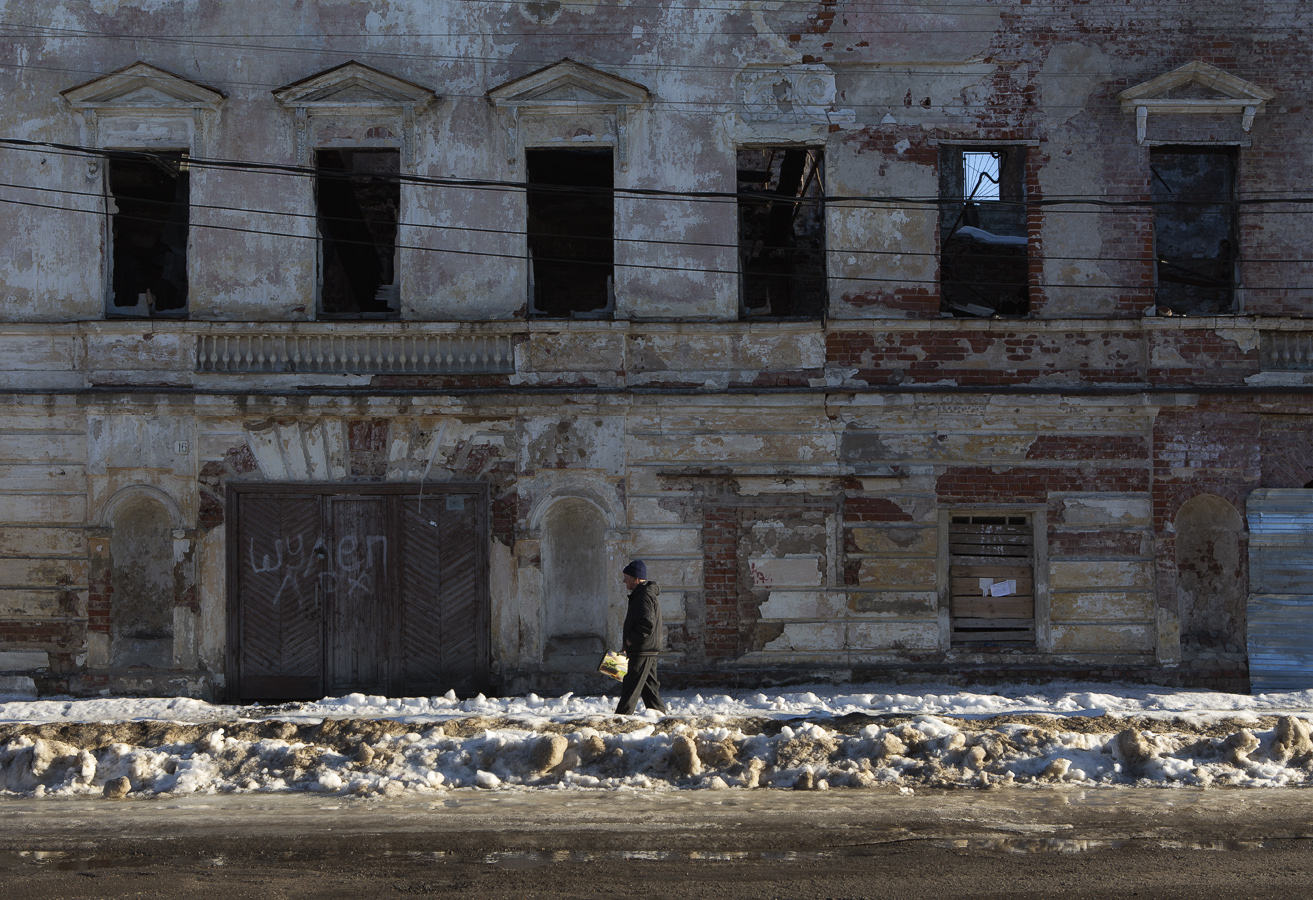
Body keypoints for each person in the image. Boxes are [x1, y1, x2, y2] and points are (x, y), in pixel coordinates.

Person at [615, 560, 667, 716]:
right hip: (644, 649)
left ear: (636, 579)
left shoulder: (643, 596)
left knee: (630, 687)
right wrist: (628, 643)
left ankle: (621, 719)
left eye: (627, 577)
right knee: (649, 689)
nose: (624, 581)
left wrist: (631, 640)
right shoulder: (642, 595)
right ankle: (661, 718)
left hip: (642, 649)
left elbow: (646, 624)